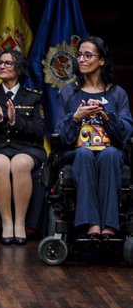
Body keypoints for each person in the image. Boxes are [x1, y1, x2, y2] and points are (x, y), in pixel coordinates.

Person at [55, 36, 133, 239]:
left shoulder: (117, 94)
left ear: (102, 61)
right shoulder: (68, 93)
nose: (81, 59)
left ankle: (109, 225)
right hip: (77, 151)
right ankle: (91, 223)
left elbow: (125, 134)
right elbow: (61, 135)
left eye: (88, 55)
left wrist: (106, 116)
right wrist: (76, 118)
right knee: (84, 154)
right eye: (79, 55)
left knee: (110, 155)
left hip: (110, 151)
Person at [0, 50, 47, 245]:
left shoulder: (33, 97)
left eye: (8, 63)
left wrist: (15, 121)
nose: (2, 66)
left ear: (18, 68)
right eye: (0, 63)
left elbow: (38, 131)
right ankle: (7, 222)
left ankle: (20, 223)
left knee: (20, 163)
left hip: (26, 147)